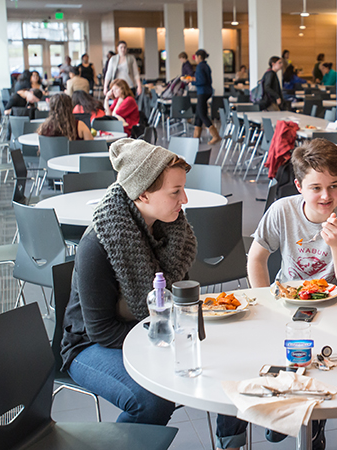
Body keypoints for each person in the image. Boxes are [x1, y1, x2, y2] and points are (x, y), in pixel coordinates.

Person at [218, 138, 337, 450]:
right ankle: (234, 438)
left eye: (334, 186)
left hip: (334, 312)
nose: (327, 196)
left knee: (314, 362)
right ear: (298, 186)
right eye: (316, 187)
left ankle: (307, 430)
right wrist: (264, 300)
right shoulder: (282, 210)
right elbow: (256, 258)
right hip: (284, 303)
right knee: (241, 355)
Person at [60, 138, 197, 426]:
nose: (184, 200)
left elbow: (177, 303)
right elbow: (101, 331)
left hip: (152, 332)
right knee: (152, 402)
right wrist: (164, 339)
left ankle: (230, 441)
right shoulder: (97, 244)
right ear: (143, 194)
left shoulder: (174, 233)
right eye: (176, 192)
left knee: (224, 362)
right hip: (88, 347)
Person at [192, 49, 221, 145]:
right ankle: (195, 138)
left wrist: (191, 81)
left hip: (202, 92)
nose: (195, 59)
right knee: (198, 113)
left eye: (196, 57)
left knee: (202, 114)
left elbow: (201, 81)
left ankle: (216, 135)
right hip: (207, 91)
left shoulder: (200, 67)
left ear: (199, 57)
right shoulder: (206, 66)